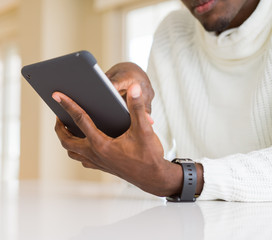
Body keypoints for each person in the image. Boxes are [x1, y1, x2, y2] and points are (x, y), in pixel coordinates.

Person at [52, 0, 272, 201]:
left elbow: (161, 176)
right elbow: (149, 165)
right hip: (194, 224)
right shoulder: (173, 31)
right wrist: (127, 114)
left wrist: (178, 179)